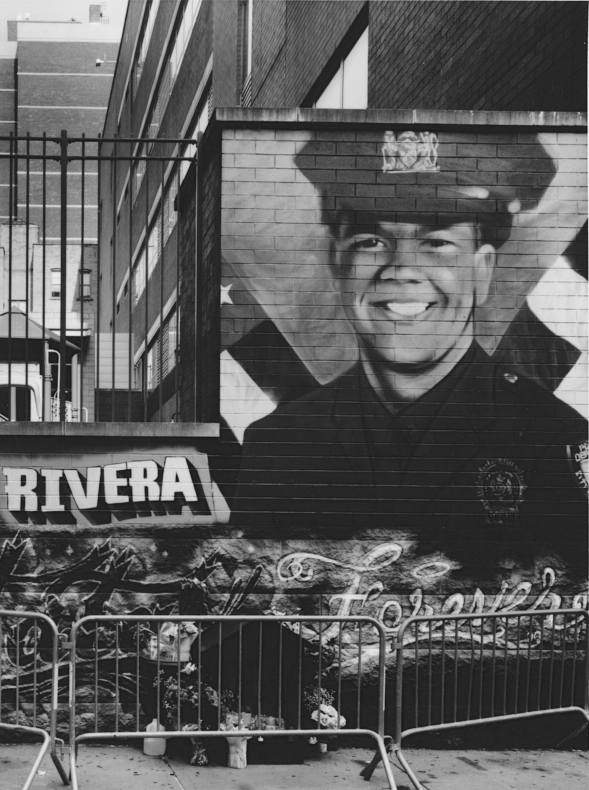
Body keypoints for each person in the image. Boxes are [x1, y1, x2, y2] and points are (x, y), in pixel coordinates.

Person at [232, 130, 587, 550]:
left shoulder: (551, 438)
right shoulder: (277, 446)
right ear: (337, 262)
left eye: (436, 243)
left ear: (482, 270)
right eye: (371, 242)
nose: (401, 269)